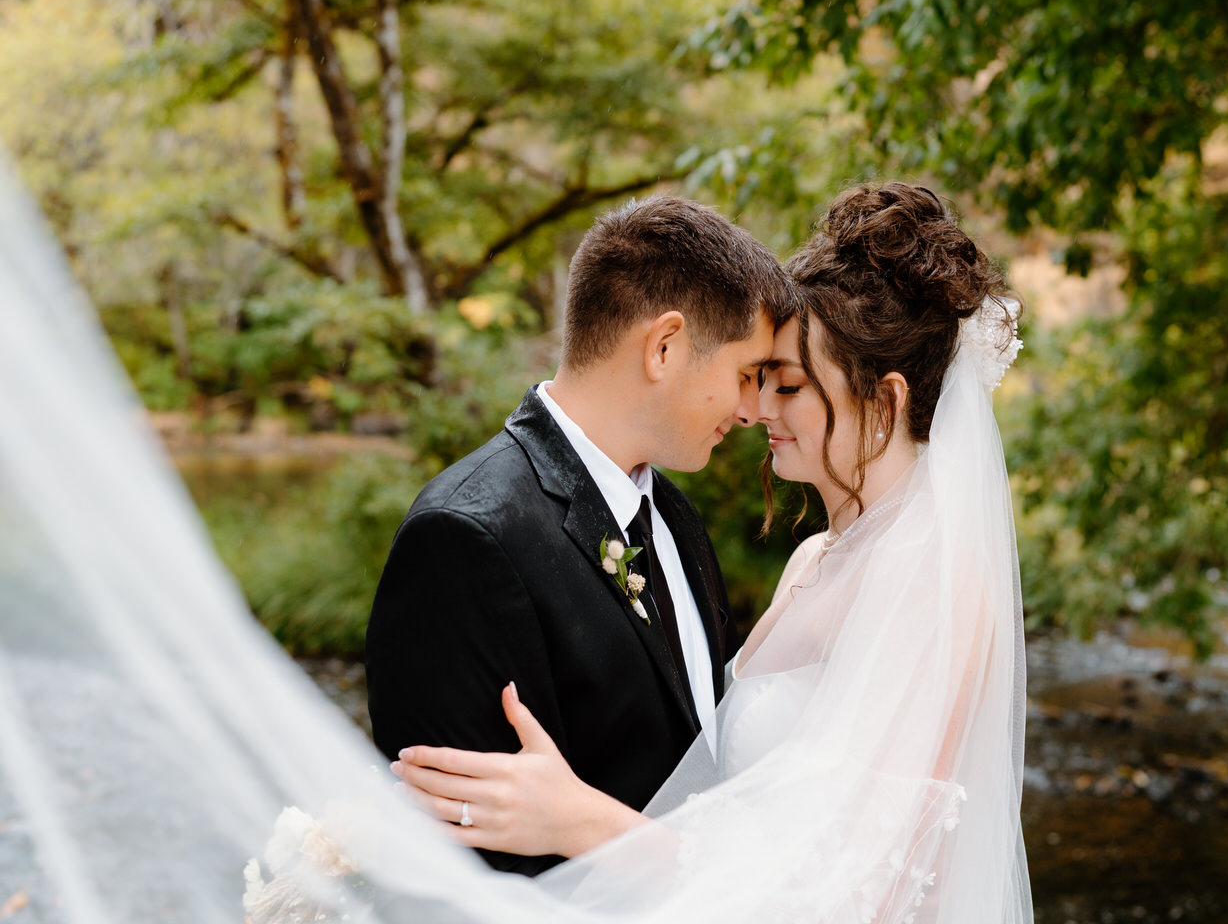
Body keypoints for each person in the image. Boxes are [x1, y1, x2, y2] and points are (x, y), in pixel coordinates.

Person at [394, 183, 1034, 923]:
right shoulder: (809, 562)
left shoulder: (932, 584)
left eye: (787, 385)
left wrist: (581, 820)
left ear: (884, 403)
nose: (758, 408)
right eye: (756, 378)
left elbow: (856, 889)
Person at [365, 195, 793, 876]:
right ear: (663, 347)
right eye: (745, 376)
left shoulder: (675, 517)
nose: (750, 412)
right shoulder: (462, 540)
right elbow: (460, 868)